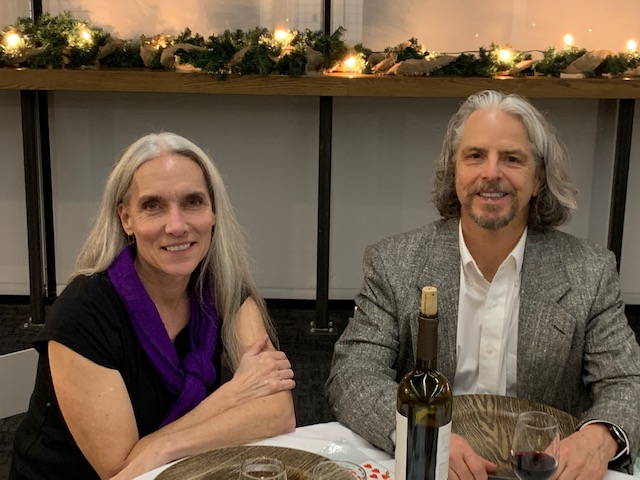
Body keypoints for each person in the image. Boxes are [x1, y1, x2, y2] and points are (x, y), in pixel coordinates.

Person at [326, 90, 640, 479]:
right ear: (453, 171)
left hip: (542, 471)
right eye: (475, 156)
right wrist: (420, 436)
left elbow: (627, 380)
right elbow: (353, 374)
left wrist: (599, 438)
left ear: (539, 178)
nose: (491, 173)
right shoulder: (395, 263)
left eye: (512, 158)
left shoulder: (589, 271)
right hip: (431, 467)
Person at [10, 132, 296, 480]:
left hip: (178, 470)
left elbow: (278, 411)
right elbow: (122, 470)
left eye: (193, 201)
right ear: (126, 219)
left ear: (213, 212)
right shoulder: (82, 313)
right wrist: (231, 397)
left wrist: (164, 447)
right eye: (152, 206)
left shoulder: (224, 290)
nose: (176, 226)